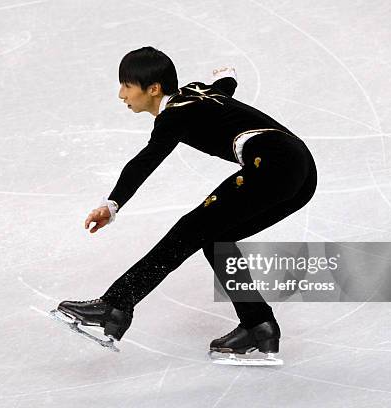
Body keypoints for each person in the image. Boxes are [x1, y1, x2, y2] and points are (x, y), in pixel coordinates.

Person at [53, 46, 317, 357]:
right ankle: (258, 325)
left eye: (127, 85)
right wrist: (226, 78)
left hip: (274, 165)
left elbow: (146, 160)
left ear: (153, 89)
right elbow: (222, 95)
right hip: (302, 170)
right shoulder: (195, 92)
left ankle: (116, 305)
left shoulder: (173, 117)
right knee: (216, 237)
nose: (121, 94)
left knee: (189, 230)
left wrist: (112, 204)